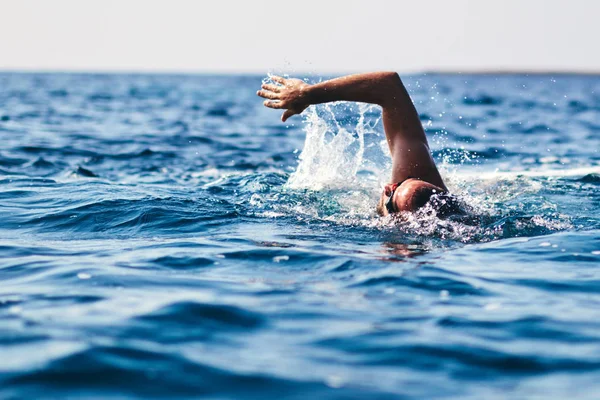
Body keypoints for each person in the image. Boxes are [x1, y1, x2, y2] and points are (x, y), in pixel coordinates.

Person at [257, 72, 456, 217]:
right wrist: (308, 94)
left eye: (392, 195)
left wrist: (306, 93)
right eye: (402, 182)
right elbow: (388, 86)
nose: (387, 187)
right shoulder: (420, 174)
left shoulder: (396, 249)